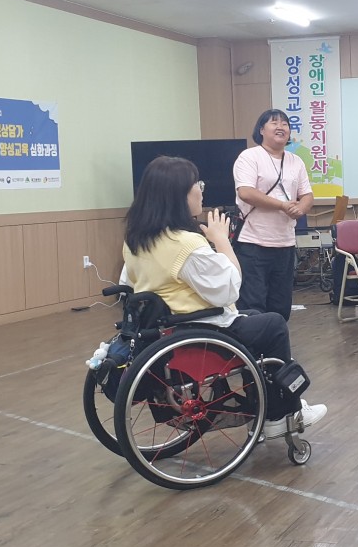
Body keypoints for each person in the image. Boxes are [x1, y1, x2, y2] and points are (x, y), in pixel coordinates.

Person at [121, 155, 327, 438]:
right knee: (274, 324)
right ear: (179, 195)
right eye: (197, 184)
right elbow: (230, 288)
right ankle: (281, 413)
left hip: (165, 327)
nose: (201, 190)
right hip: (200, 328)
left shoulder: (134, 240)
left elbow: (128, 284)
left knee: (255, 317)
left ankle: (264, 404)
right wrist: (221, 241)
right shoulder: (185, 244)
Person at [233, 109, 314, 320]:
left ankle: (276, 342)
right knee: (252, 304)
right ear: (261, 130)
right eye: (274, 123)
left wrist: (301, 208)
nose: (281, 127)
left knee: (281, 305)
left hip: (285, 243)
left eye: (285, 124)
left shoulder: (296, 161)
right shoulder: (249, 156)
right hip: (253, 243)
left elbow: (307, 195)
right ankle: (254, 343)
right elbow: (246, 192)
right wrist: (282, 205)